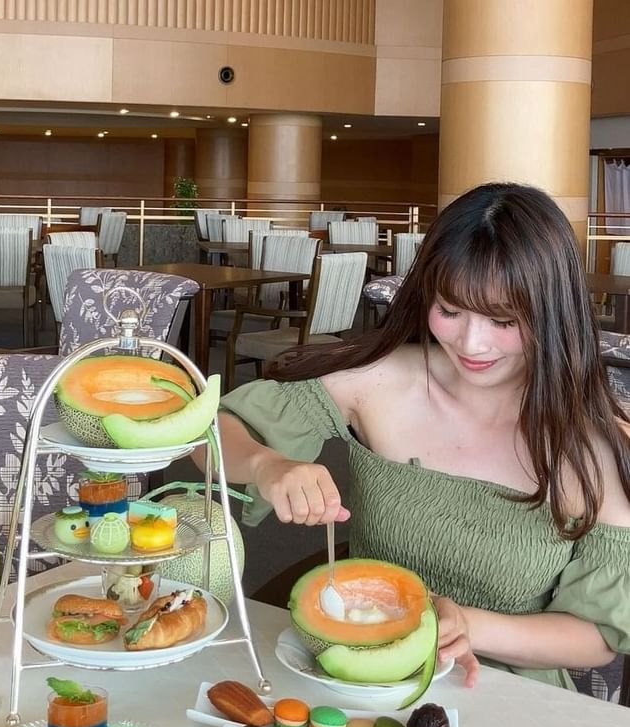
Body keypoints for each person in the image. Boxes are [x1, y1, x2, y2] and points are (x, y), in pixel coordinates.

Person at [211, 182, 630, 691]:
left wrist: (468, 626)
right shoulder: (382, 382)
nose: (471, 343)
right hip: (358, 671)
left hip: (503, 691)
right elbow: (208, 431)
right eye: (450, 311)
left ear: (551, 312)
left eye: (502, 320)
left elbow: (598, 635)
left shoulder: (591, 445)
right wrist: (265, 465)